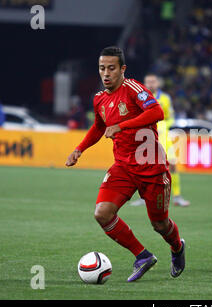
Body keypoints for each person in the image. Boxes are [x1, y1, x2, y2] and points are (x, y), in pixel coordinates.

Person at [65, 46, 185, 282]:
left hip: (151, 166)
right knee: (102, 213)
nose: (106, 73)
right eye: (102, 68)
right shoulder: (99, 99)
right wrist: (79, 149)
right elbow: (99, 127)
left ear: (122, 69)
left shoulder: (133, 89)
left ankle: (177, 248)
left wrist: (123, 125)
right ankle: (142, 256)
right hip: (123, 167)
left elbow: (157, 112)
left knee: (160, 224)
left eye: (111, 68)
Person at [130, 74, 190, 207]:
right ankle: (143, 197)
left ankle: (177, 197)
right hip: (145, 136)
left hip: (164, 136)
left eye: (153, 81)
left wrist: (164, 126)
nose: (151, 84)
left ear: (158, 83)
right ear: (144, 83)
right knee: (144, 167)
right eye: (148, 82)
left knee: (172, 164)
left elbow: (170, 118)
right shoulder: (138, 97)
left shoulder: (165, 98)